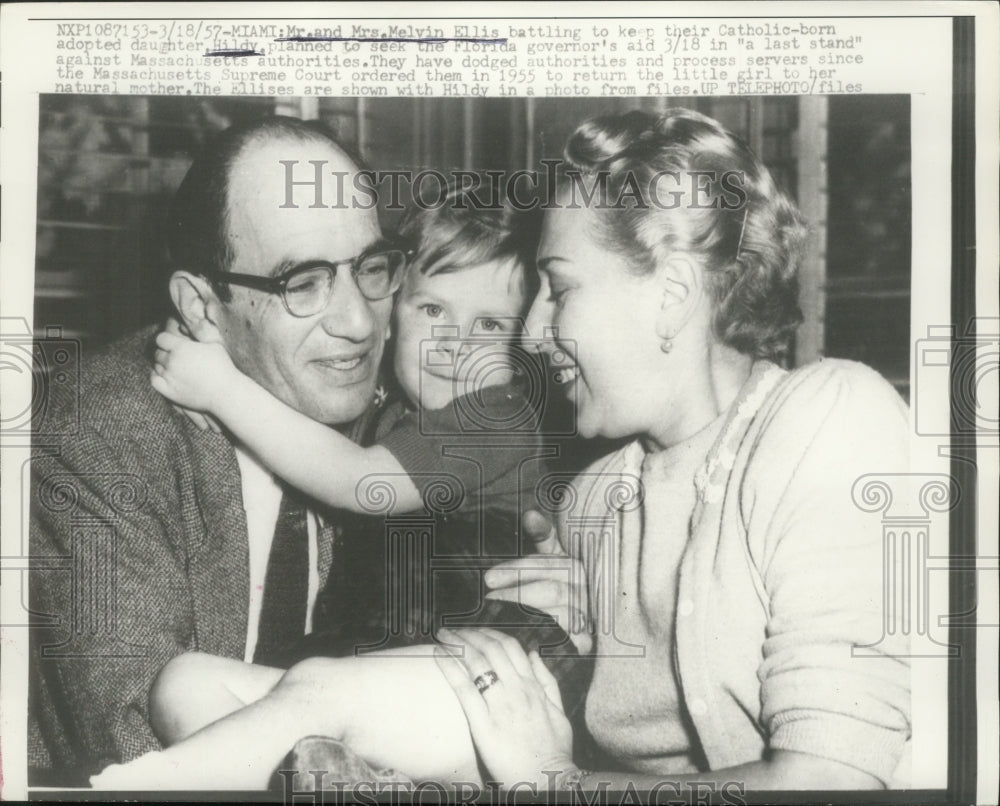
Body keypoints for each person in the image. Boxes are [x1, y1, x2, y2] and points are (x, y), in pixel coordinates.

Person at [96, 107, 912, 793]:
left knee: (317, 695)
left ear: (670, 294)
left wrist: (555, 783)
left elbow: (832, 784)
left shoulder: (824, 417)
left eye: (560, 287)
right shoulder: (599, 493)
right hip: (475, 727)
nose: (531, 334)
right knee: (189, 686)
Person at [90, 187, 592, 791]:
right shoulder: (387, 414)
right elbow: (291, 403)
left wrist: (219, 388)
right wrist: (210, 329)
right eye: (433, 310)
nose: (453, 342)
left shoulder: (497, 417)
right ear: (392, 313)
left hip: (499, 690)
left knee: (317, 687)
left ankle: (136, 789)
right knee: (185, 684)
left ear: (524, 341)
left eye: (489, 324)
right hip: (389, 681)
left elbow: (357, 481)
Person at [28, 115, 400, 783]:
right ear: (201, 306)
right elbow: (144, 754)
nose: (357, 322)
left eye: (372, 268)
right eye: (303, 283)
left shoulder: (399, 411)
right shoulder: (99, 440)